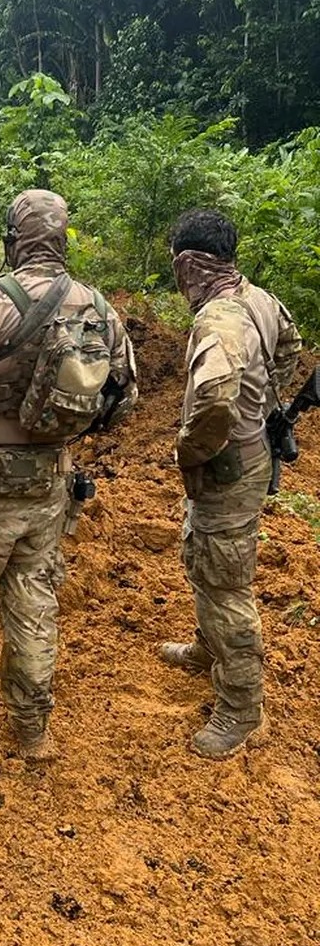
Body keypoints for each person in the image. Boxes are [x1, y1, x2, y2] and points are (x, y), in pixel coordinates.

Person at [0, 190, 137, 776]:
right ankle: (33, 731)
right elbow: (122, 397)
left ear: (13, 242)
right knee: (35, 603)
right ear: (63, 241)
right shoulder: (99, 308)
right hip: (49, 485)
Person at [159, 209, 301, 758]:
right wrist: (260, 404)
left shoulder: (217, 321)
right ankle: (207, 647)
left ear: (190, 265)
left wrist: (189, 451)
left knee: (224, 581)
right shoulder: (259, 299)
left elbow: (215, 398)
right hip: (252, 454)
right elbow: (288, 352)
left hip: (226, 465)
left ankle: (240, 707)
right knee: (205, 554)